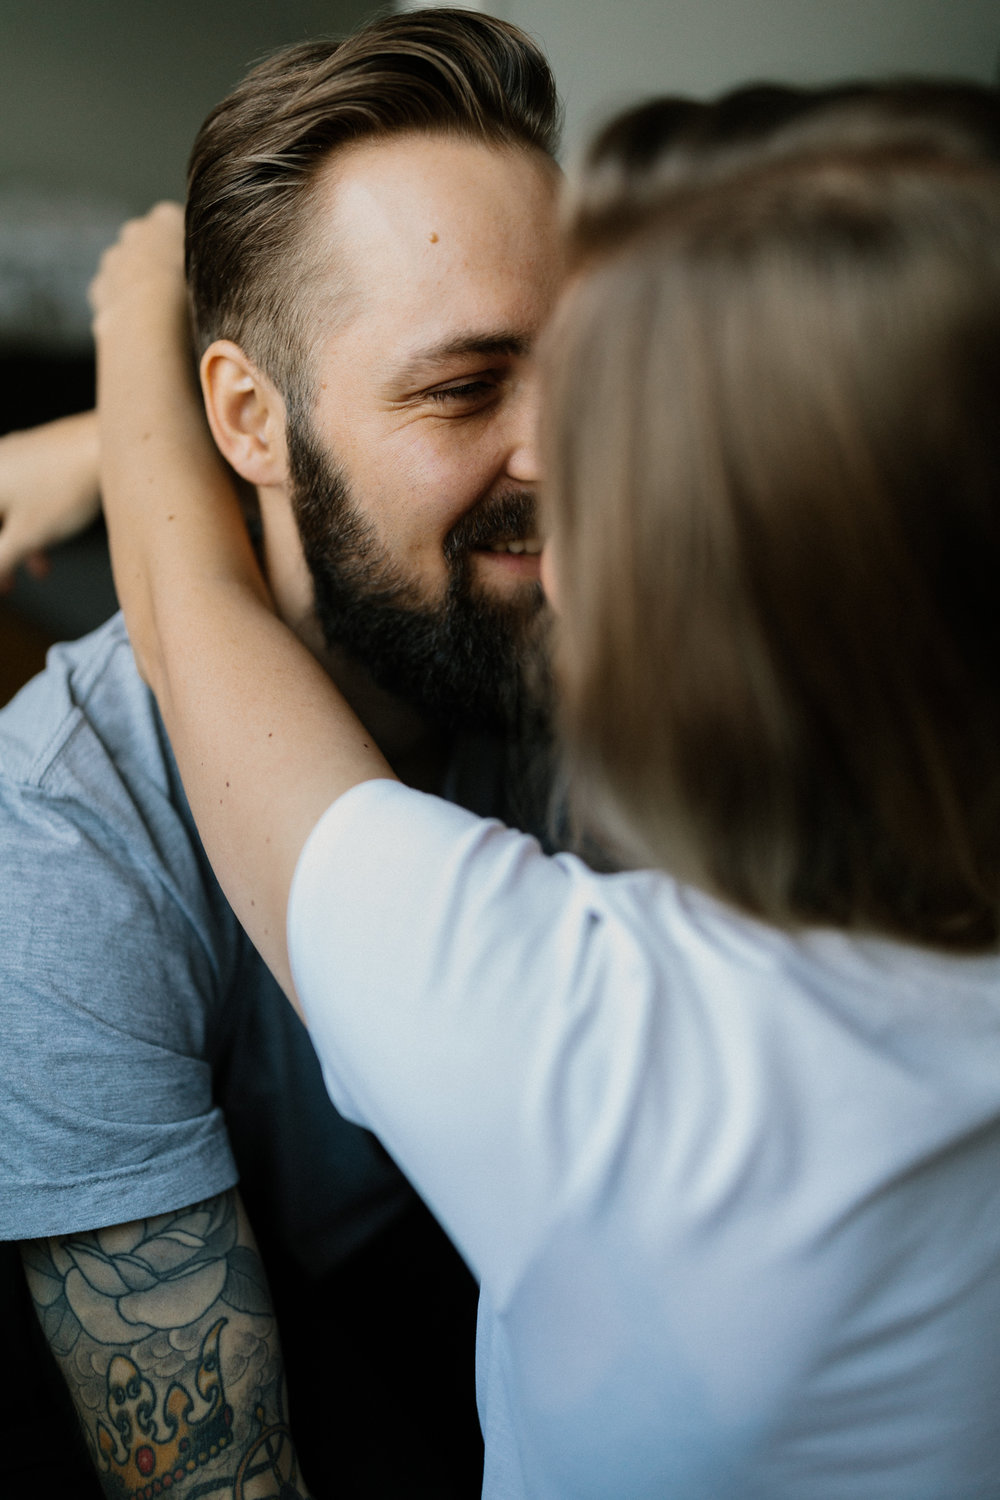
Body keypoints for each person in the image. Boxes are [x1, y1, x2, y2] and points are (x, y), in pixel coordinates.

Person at [90, 78, 1000, 1499]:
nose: (557, 510)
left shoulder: (605, 1058)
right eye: (464, 387)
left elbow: (189, 613)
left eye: (614, 443)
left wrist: (135, 317)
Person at [0, 10, 562, 1498]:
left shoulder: (634, 665)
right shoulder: (61, 829)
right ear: (244, 418)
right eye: (462, 388)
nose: (568, 452)